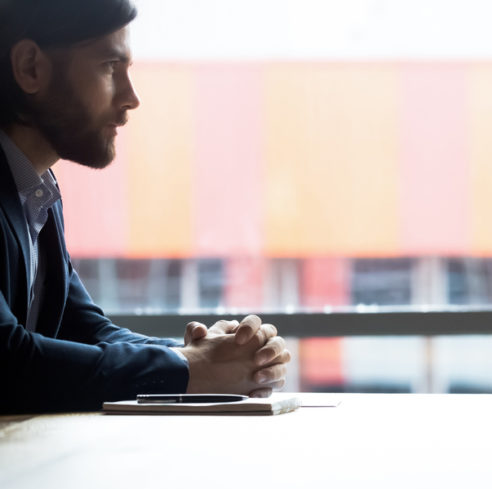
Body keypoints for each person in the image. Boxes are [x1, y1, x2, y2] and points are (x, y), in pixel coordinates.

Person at [0, 0, 290, 413]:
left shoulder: (34, 191)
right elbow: (7, 360)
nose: (131, 97)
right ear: (30, 67)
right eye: (109, 67)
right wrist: (190, 367)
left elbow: (83, 329)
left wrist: (210, 355)